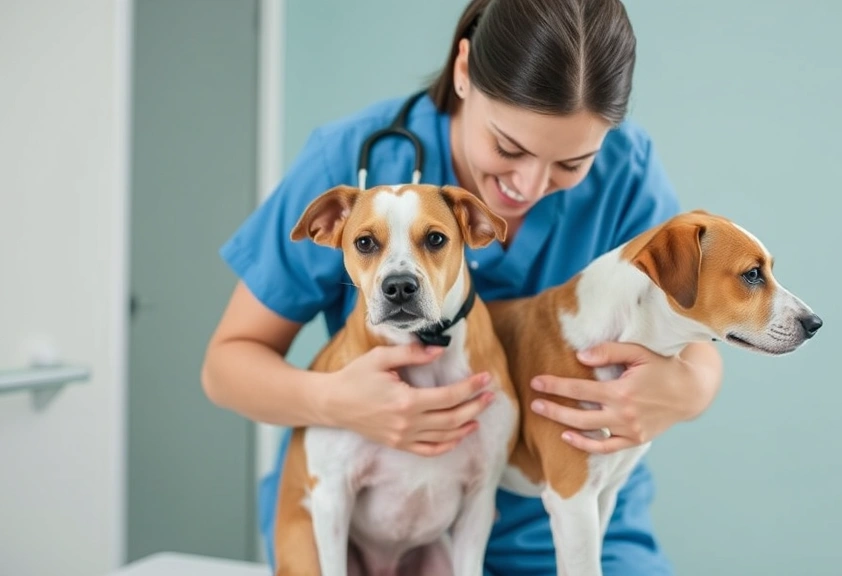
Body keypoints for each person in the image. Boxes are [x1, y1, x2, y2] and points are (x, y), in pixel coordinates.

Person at [201, 0, 724, 573]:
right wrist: (336, 404)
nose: (528, 186)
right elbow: (226, 365)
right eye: (508, 147)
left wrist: (689, 389)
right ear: (463, 71)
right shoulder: (350, 162)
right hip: (369, 494)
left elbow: (695, 331)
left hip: (573, 515)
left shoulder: (626, 172)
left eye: (572, 164)